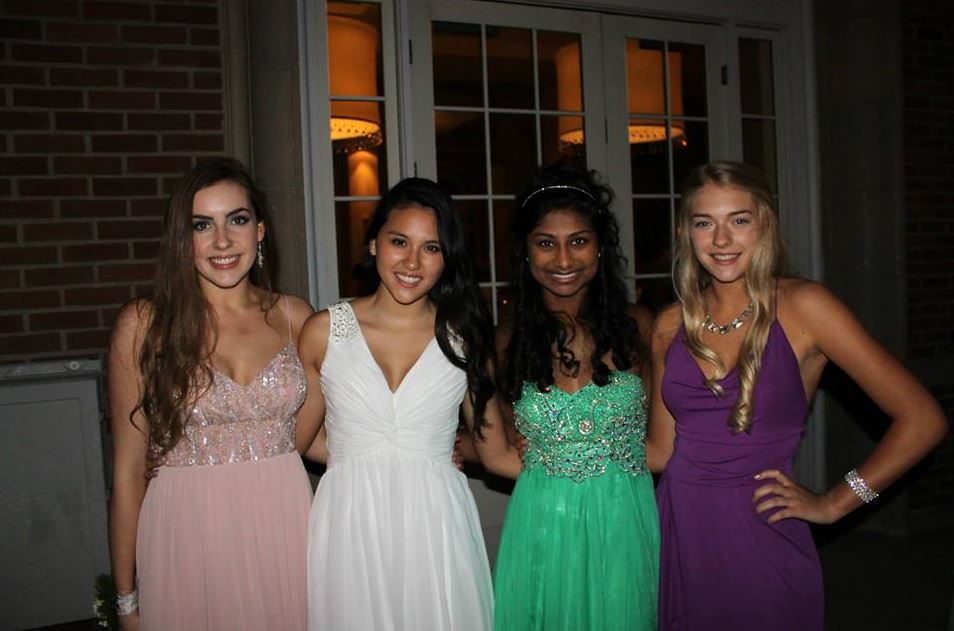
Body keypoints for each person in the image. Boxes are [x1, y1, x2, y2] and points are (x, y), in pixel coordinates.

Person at [648, 160, 949, 630]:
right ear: (687, 233)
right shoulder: (669, 324)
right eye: (704, 223)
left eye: (739, 220)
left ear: (764, 224)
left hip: (762, 527)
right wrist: (571, 442)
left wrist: (834, 502)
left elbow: (924, 419)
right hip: (681, 528)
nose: (721, 240)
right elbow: (662, 452)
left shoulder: (807, 306)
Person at [296, 178, 522, 631]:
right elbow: (298, 440)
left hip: (436, 526)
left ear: (447, 258)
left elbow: (495, 450)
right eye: (399, 241)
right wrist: (362, 454)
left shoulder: (463, 336)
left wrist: (585, 471)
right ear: (373, 243)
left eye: (431, 248)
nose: (412, 262)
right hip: (351, 523)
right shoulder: (324, 330)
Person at [108, 158, 314, 630]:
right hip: (188, 533)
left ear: (259, 230)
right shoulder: (144, 325)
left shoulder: (296, 317)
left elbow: (321, 432)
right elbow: (126, 473)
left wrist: (415, 448)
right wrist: (126, 600)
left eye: (237, 220)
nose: (222, 241)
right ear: (183, 239)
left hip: (285, 527)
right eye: (203, 225)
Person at [493, 164, 659, 631]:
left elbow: (669, 442)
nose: (563, 258)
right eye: (545, 243)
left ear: (601, 248)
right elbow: (503, 445)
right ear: (524, 253)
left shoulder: (641, 327)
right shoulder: (504, 342)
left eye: (579, 241)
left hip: (623, 523)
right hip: (542, 525)